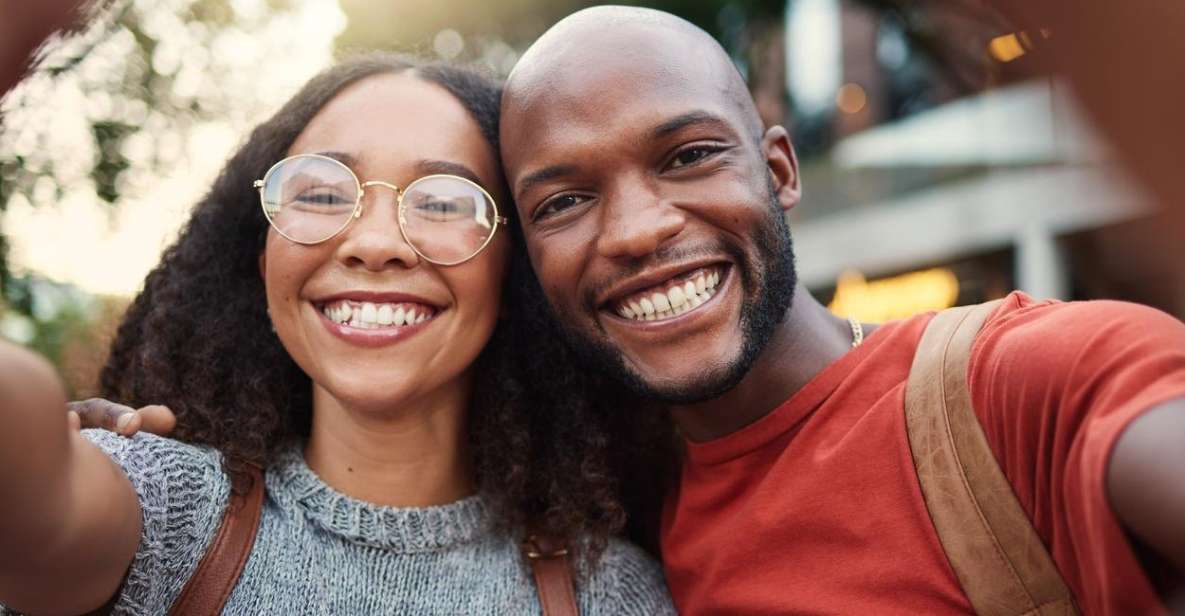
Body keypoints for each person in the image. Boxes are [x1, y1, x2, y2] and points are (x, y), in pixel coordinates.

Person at [495, 6, 1185, 615]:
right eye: (562, 203)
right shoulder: (620, 509)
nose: (636, 230)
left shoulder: (1022, 380)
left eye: (689, 156)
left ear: (779, 172)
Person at [0, 53, 674, 614]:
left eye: (442, 202)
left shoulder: (605, 594)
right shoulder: (164, 511)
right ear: (265, 264)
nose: (376, 242)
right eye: (321, 193)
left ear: (512, 276)